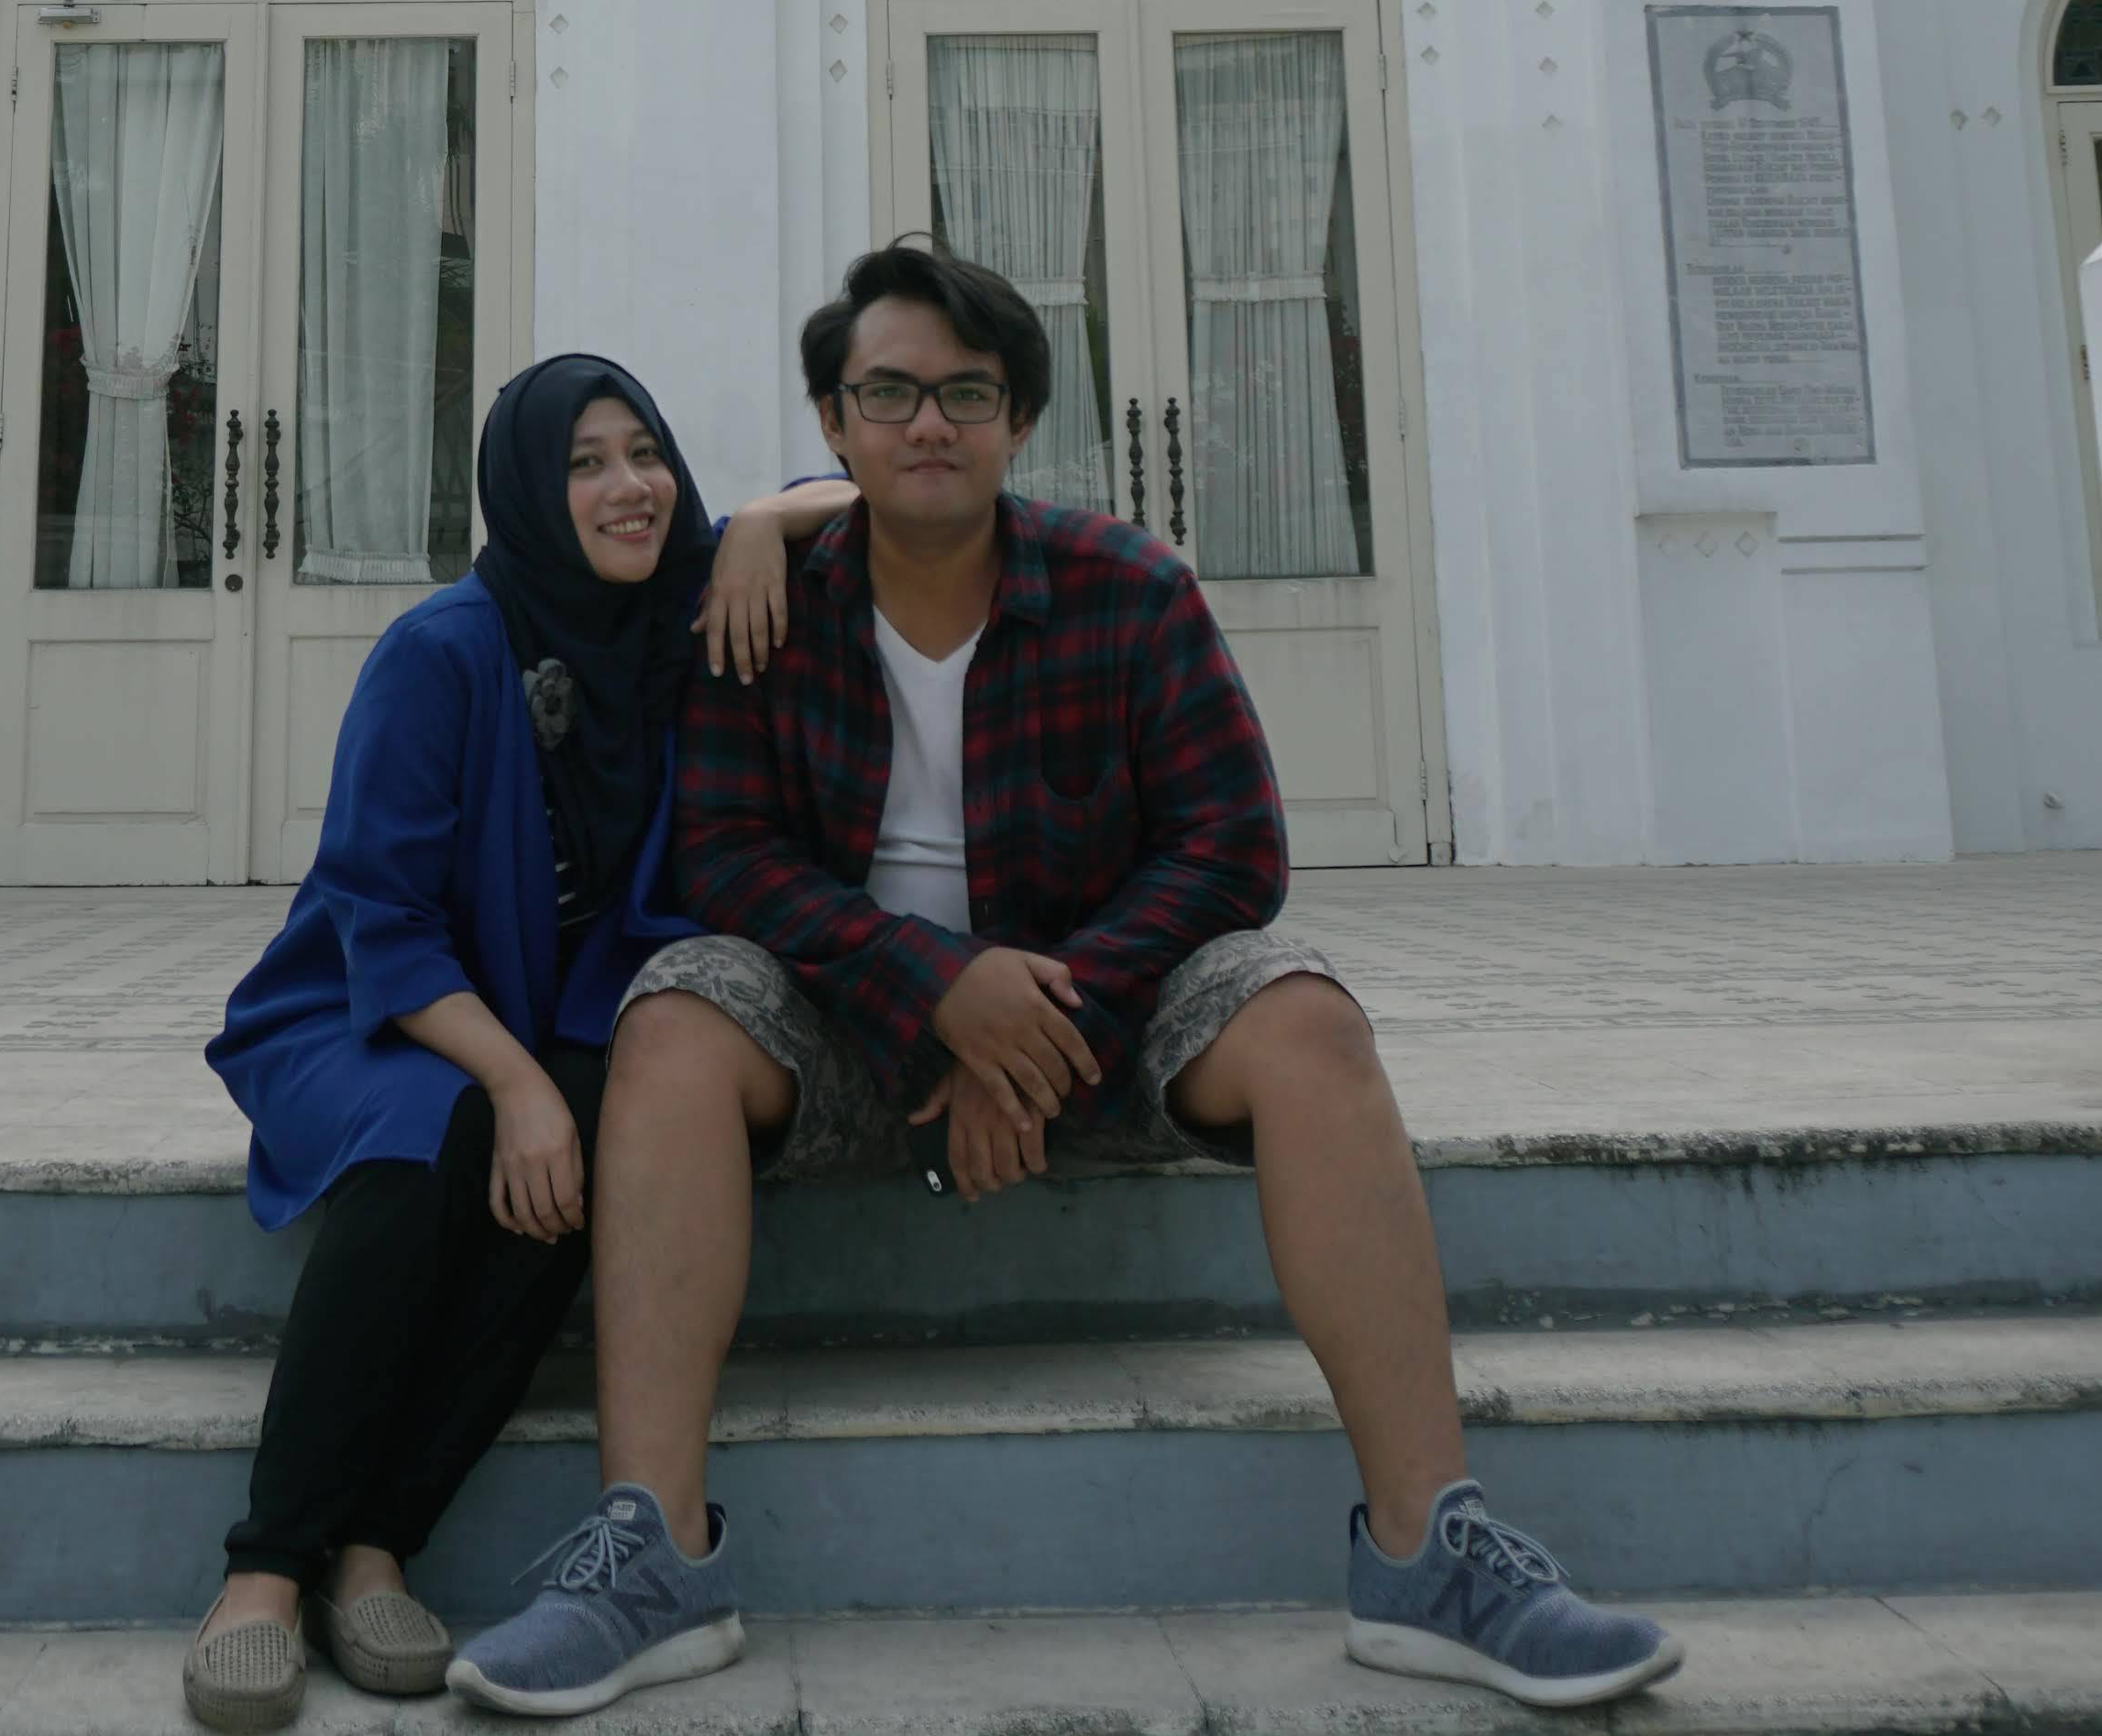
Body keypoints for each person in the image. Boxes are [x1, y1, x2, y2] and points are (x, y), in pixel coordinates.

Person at [448, 244, 1683, 1721]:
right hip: (847, 1028)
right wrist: (933, 990)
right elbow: (723, 856)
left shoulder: (1129, 589)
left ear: (1021, 418)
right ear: (832, 424)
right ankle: (654, 1559)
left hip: (1100, 1020)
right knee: (672, 1014)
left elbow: (1234, 846)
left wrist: (1034, 1026)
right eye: (888, 393)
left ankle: (1431, 1554)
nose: (928, 424)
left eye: (966, 394)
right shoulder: (759, 608)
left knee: (1304, 1015)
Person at [186, 356, 836, 1735]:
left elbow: (882, 498)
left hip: (553, 1005)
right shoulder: (441, 650)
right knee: (435, 1136)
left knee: (598, 1146)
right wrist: (517, 1078)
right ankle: (267, 1569)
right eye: (584, 464)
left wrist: (768, 524)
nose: (627, 487)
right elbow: (382, 915)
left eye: (645, 453)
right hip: (372, 1006)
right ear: (530, 492)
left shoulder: (685, 608)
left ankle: (379, 1546)